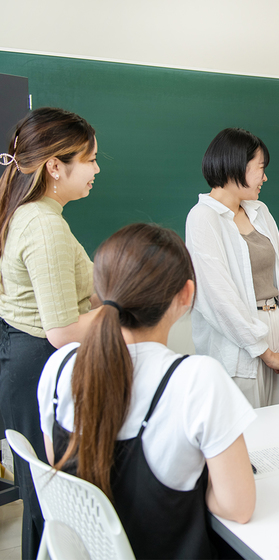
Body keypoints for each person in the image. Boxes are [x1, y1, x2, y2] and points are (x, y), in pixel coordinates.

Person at [38, 224, 256, 558]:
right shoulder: (197, 379)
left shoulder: (58, 367)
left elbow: (63, 472)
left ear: (102, 288)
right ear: (186, 295)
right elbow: (238, 507)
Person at [0, 107, 103, 558]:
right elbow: (62, 330)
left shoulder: (35, 213)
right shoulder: (44, 225)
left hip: (25, 362)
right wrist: (122, 312)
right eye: (91, 159)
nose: (98, 169)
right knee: (53, 509)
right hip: (39, 366)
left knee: (45, 503)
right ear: (55, 166)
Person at [186, 128, 279, 408]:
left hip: (278, 327)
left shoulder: (260, 211)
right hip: (240, 343)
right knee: (250, 436)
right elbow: (219, 299)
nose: (264, 177)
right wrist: (267, 354)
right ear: (236, 165)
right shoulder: (203, 218)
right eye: (260, 169)